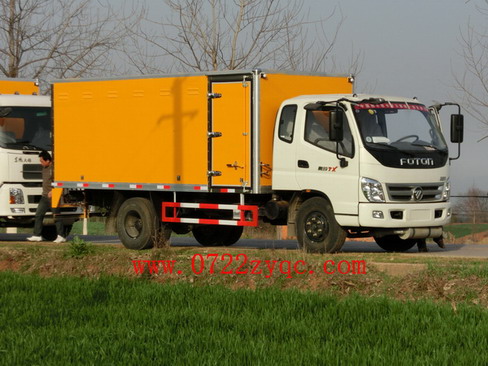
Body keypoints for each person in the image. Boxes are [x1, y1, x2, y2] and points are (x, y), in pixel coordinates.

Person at [27, 150, 66, 243]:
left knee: (56, 216)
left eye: (42, 161)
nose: (41, 163)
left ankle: (61, 236)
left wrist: (53, 191)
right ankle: (37, 235)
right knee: (38, 215)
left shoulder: (54, 169)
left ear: (48, 160)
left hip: (53, 196)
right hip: (44, 197)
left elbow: (61, 181)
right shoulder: (44, 168)